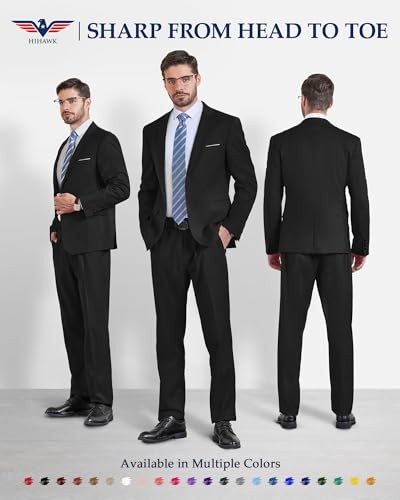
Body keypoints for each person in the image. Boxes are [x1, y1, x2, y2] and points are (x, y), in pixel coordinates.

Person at [138, 50, 257, 448]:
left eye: (185, 78)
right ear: (164, 84)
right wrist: (151, 233)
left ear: (198, 79)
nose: (179, 87)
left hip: (209, 242)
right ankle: (172, 416)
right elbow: (147, 188)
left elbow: (247, 184)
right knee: (168, 334)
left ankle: (222, 420)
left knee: (218, 333)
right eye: (171, 80)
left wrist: (228, 231)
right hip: (166, 240)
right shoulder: (153, 131)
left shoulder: (225, 125)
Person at [264, 74, 369, 430]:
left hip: (294, 246)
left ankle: (288, 412)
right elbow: (360, 196)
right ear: (331, 102)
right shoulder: (348, 143)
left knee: (290, 329)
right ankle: (343, 411)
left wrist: (273, 245)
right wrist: (360, 244)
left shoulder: (281, 142)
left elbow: (272, 199)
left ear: (303, 100)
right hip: (337, 247)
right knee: (340, 329)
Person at [45, 78, 130, 426]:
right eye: (61, 102)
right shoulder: (64, 146)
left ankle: (102, 401)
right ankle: (79, 396)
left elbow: (121, 187)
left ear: (87, 102)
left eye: (72, 100)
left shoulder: (104, 141)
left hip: (93, 246)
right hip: (64, 245)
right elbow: (61, 194)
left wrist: (79, 204)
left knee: (95, 323)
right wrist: (55, 225)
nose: (66, 107)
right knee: (72, 322)